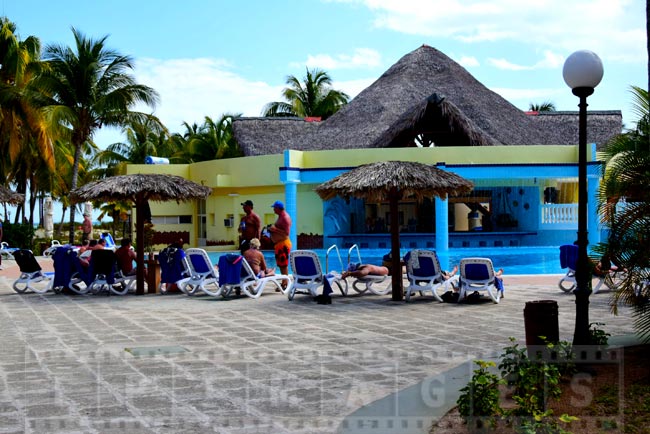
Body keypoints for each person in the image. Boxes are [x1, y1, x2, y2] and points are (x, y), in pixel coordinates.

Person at [268, 200, 291, 288]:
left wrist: (275, 230)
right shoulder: (280, 216)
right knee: (281, 265)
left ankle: (285, 283)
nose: (273, 209)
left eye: (274, 208)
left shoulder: (285, 217)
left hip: (283, 244)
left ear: (278, 208)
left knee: (283, 265)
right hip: (279, 244)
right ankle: (284, 282)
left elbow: (286, 233)